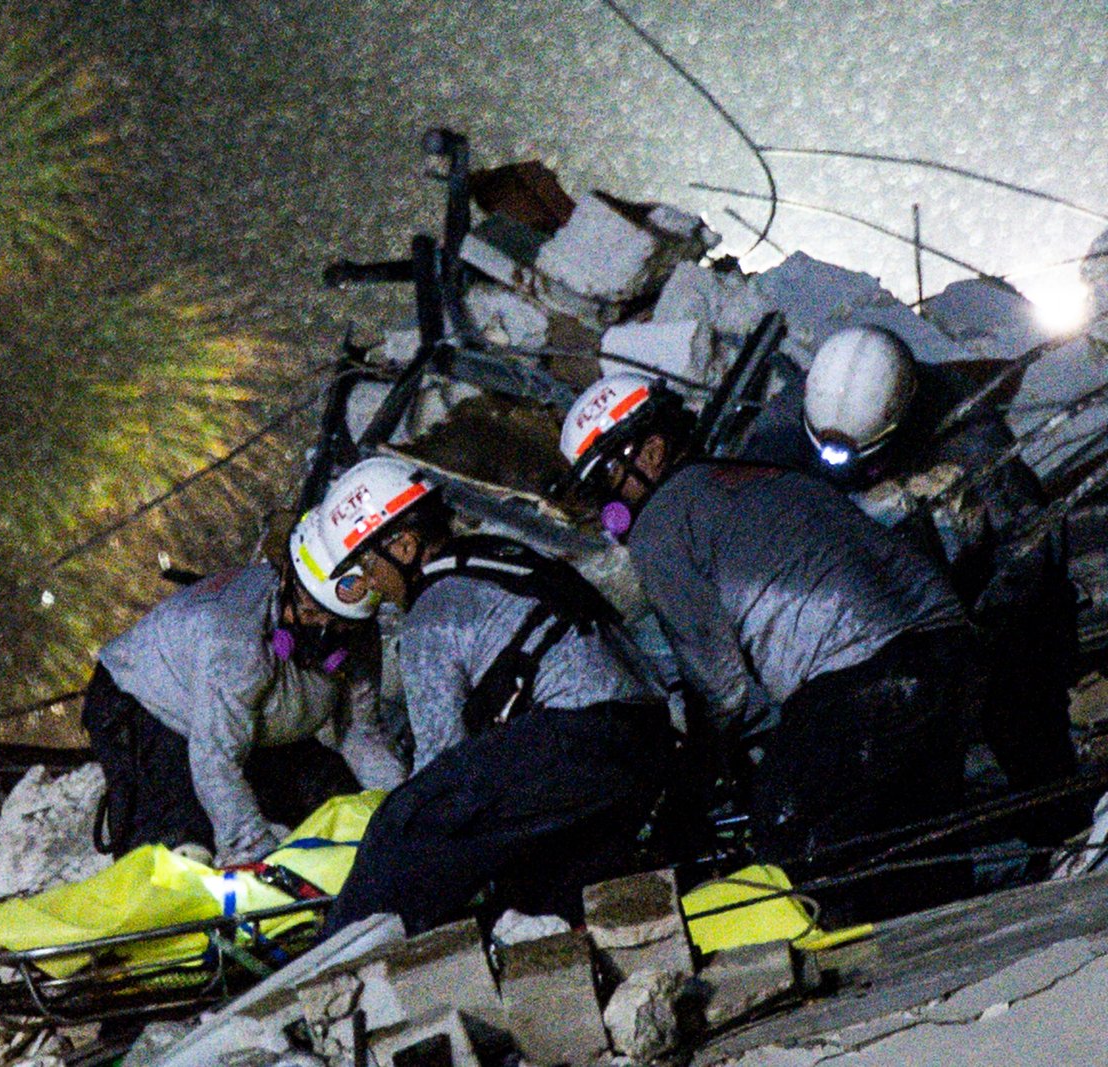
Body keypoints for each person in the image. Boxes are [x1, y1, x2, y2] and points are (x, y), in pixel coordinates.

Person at [563, 372, 980, 922]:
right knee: (914, 830)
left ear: (654, 450)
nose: (607, 505)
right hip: (951, 646)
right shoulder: (765, 474)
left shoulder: (660, 527)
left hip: (863, 672)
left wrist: (689, 789)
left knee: (789, 831)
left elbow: (722, 688)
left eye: (609, 479)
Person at [741, 325, 1082, 848]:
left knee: (1025, 708)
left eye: (871, 457)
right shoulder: (781, 433)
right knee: (902, 756)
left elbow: (1029, 540)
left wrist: (983, 619)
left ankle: (1060, 832)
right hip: (863, 605)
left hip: (973, 595)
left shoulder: (965, 430)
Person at [317, 457, 670, 936]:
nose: (369, 584)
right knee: (533, 904)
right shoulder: (503, 556)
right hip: (646, 741)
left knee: (403, 821)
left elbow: (439, 764)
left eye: (366, 562)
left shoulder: (432, 614)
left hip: (578, 738)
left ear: (403, 543)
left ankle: (337, 963)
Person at [84, 503, 406, 869]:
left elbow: (361, 735)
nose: (322, 634)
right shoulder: (236, 639)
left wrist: (407, 804)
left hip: (251, 715)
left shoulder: (358, 633)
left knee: (338, 795)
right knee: (180, 848)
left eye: (337, 625)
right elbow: (215, 758)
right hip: (144, 698)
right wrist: (256, 856)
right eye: (312, 614)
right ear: (286, 582)